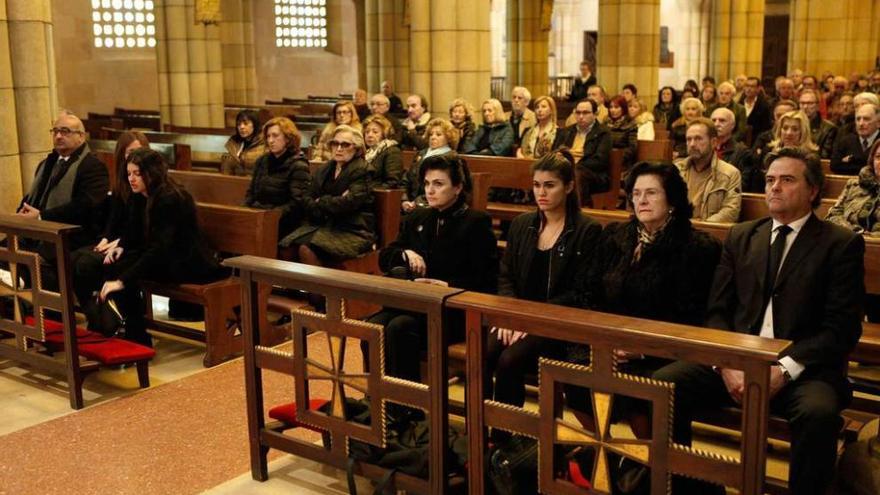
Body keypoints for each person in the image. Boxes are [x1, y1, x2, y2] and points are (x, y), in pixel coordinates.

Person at [654, 147, 865, 495]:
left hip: (803, 369)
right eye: (769, 180)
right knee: (664, 386)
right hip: (736, 361)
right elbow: (717, 310)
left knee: (818, 416)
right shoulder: (742, 236)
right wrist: (726, 363)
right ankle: (692, 488)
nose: (774, 188)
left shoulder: (839, 244)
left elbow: (841, 328)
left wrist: (784, 369)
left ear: (813, 191)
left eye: (787, 180)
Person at [566, 161, 721, 486]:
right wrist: (603, 341)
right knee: (575, 373)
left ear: (673, 200)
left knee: (643, 387)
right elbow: (587, 291)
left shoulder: (695, 247)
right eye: (636, 193)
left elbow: (691, 315)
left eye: (651, 193)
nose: (642, 200)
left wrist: (639, 348)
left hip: (662, 350)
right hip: (610, 344)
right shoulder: (616, 236)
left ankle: (656, 469)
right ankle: (603, 458)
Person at [485, 151, 601, 411]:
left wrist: (531, 319)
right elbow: (506, 276)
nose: (541, 193)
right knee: (483, 351)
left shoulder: (587, 230)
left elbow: (581, 291)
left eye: (550, 185)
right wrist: (510, 313)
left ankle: (509, 437)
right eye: (537, 185)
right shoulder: (521, 224)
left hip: (557, 322)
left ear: (569, 186)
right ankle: (480, 430)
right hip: (517, 316)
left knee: (509, 360)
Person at [366, 153, 498, 382]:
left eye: (438, 184)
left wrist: (447, 286)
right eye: (427, 184)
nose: (430, 190)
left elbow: (487, 280)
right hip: (416, 302)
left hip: (452, 310)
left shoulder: (476, 222)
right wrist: (404, 253)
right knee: (373, 327)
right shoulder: (418, 217)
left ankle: (408, 406)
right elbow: (385, 257)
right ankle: (378, 399)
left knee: (400, 327)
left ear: (457, 188)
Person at [96, 148, 228, 346]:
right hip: (168, 259)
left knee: (123, 276)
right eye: (129, 173)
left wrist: (122, 281)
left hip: (188, 264)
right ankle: (133, 333)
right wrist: (122, 246)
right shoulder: (141, 194)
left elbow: (160, 247)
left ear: (151, 173)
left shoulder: (170, 197)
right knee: (112, 265)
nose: (131, 179)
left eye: (137, 174)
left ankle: (137, 337)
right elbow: (134, 230)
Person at [70, 130, 148, 333]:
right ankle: (97, 315)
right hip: (122, 240)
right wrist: (106, 239)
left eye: (138, 151)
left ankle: (108, 319)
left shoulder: (145, 183)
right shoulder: (124, 180)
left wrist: (120, 243)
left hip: (135, 245)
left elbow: (140, 226)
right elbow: (115, 218)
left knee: (88, 264)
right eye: (129, 152)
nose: (133, 157)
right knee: (75, 258)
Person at [17, 111, 109, 256]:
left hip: (70, 237)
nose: (58, 136)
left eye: (65, 132)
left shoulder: (93, 166)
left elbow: (85, 205)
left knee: (33, 256)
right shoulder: (47, 163)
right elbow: (33, 195)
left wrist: (42, 216)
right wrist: (21, 213)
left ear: (81, 136)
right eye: (55, 131)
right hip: (37, 232)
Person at [281, 125, 375, 265]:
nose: (338, 148)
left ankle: (316, 287)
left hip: (352, 229)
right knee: (286, 246)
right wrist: (327, 202)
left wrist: (321, 200)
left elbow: (349, 203)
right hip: (323, 224)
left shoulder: (362, 170)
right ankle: (294, 287)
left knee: (306, 250)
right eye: (335, 143)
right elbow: (307, 197)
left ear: (356, 148)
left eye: (345, 144)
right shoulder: (325, 168)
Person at [244, 117, 311, 239]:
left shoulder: (298, 165)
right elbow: (251, 192)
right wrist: (245, 212)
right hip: (259, 215)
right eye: (268, 136)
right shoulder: (262, 161)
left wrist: (272, 215)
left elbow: (297, 202)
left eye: (275, 136)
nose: (270, 140)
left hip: (283, 221)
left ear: (288, 138)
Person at [675, 118, 742, 222]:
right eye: (689, 139)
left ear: (714, 142)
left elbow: (730, 212)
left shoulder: (730, 174)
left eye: (698, 139)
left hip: (707, 233)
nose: (692, 144)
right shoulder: (676, 170)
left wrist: (700, 228)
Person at [552, 98, 613, 206]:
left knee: (577, 173)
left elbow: (600, 161)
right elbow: (554, 152)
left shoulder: (603, 133)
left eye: (585, 113)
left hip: (593, 174)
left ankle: (578, 210)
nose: (581, 116)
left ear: (595, 114)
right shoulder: (566, 131)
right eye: (578, 113)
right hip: (565, 169)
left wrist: (574, 165)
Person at [401, 118, 458, 213]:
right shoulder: (420, 154)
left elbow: (442, 188)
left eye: (438, 134)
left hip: (435, 205)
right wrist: (404, 200)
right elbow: (406, 179)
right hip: (410, 203)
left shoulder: (450, 157)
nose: (433, 137)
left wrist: (417, 203)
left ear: (448, 138)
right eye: (431, 134)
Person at [826, 139, 880, 236]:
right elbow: (833, 215)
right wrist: (853, 231)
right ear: (872, 160)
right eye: (878, 157)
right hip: (846, 239)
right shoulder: (853, 185)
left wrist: (870, 237)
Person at [832, 103, 880, 175]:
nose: (861, 123)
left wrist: (852, 160)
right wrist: (865, 165)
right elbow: (834, 166)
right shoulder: (846, 141)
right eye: (858, 119)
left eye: (866, 119)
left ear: (878, 122)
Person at [220, 109, 266, 176]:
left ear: (255, 125)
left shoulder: (264, 144)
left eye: (246, 123)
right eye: (238, 124)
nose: (241, 127)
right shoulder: (234, 143)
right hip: (235, 183)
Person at [362, 114, 403, 188]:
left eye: (375, 132)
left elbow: (392, 182)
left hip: (377, 195)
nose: (370, 135)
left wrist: (366, 192)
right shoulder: (366, 153)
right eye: (367, 132)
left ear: (384, 134)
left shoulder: (392, 151)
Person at [799, 89, 837, 159]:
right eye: (802, 103)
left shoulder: (829, 128)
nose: (805, 107)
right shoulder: (794, 126)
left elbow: (824, 156)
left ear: (818, 106)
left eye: (810, 103)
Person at [606, 95, 638, 171]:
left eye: (616, 107)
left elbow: (632, 148)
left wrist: (616, 157)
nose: (613, 110)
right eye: (611, 107)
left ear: (623, 108)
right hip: (604, 159)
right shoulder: (605, 123)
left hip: (622, 161)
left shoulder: (630, 124)